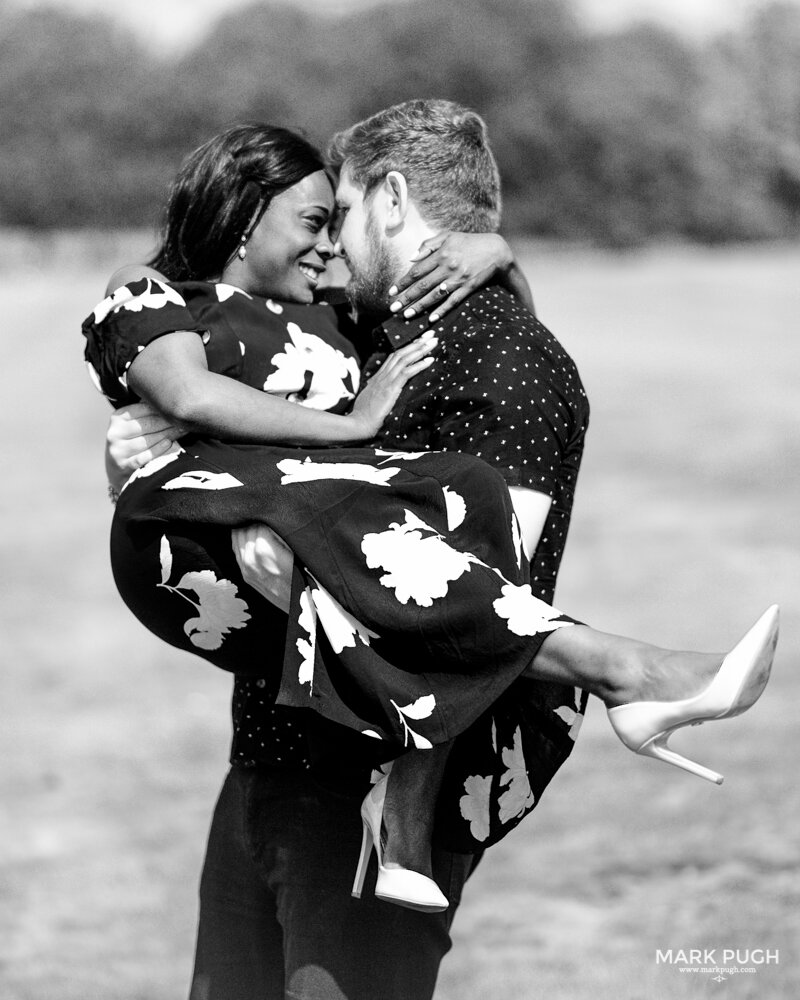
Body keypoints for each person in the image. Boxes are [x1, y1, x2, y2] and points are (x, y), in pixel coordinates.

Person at [94, 105, 778, 1000]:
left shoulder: (502, 362)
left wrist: (496, 254)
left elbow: (488, 580)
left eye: (335, 213)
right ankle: (618, 669)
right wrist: (143, 460)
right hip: (270, 758)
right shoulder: (368, 329)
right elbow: (202, 397)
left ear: (390, 199)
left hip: (373, 787)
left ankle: (618, 671)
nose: (330, 244)